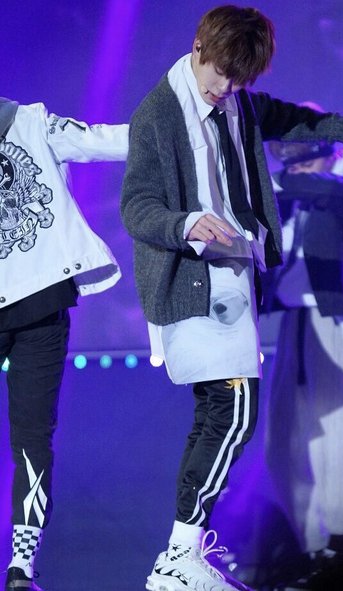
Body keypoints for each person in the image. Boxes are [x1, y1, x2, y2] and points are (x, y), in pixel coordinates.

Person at [120, 6, 343, 591]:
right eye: (220, 75)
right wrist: (184, 223)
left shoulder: (241, 105)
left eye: (237, 81)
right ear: (197, 47)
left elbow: (291, 120)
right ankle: (181, 553)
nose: (225, 90)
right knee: (236, 414)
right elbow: (136, 206)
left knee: (231, 416)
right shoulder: (159, 113)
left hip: (245, 289)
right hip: (196, 282)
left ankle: (184, 555)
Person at [0, 97, 128, 591]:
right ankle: (21, 569)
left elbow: (107, 141)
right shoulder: (30, 122)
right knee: (33, 439)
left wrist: (179, 119)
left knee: (33, 439)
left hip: (40, 304)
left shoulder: (30, 122)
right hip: (41, 302)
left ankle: (21, 565)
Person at [263, 111, 343, 586]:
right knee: (284, 439)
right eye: (289, 164)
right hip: (295, 317)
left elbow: (331, 192)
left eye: (303, 162)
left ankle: (341, 544)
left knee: (333, 432)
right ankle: (311, 546)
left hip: (336, 317)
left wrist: (272, 183)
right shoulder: (296, 185)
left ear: (327, 152)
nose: (294, 171)